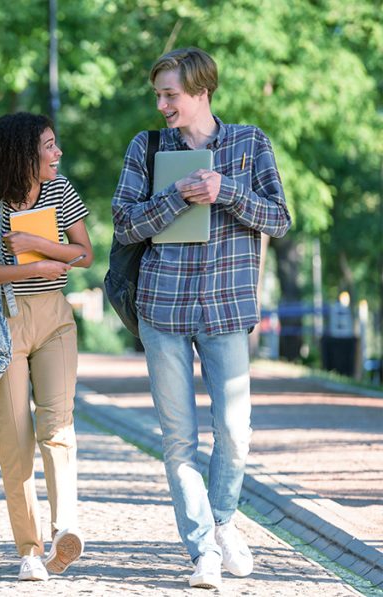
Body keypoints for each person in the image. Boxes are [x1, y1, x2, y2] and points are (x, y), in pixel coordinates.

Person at [111, 47, 291, 590]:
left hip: (226, 309)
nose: (162, 104)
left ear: (201, 91)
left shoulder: (249, 143)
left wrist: (226, 192)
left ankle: (222, 520)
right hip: (162, 309)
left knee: (235, 433)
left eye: (171, 95)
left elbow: (279, 219)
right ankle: (202, 552)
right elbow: (123, 225)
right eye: (159, 95)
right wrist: (174, 198)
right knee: (178, 440)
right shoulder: (146, 148)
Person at [0, 112, 92, 582]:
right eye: (49, 146)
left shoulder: (60, 192)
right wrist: (27, 269)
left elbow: (84, 254)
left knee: (58, 427)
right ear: (22, 155)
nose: (58, 154)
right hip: (4, 324)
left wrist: (39, 244)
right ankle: (29, 549)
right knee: (16, 441)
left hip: (55, 318)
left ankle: (65, 530)